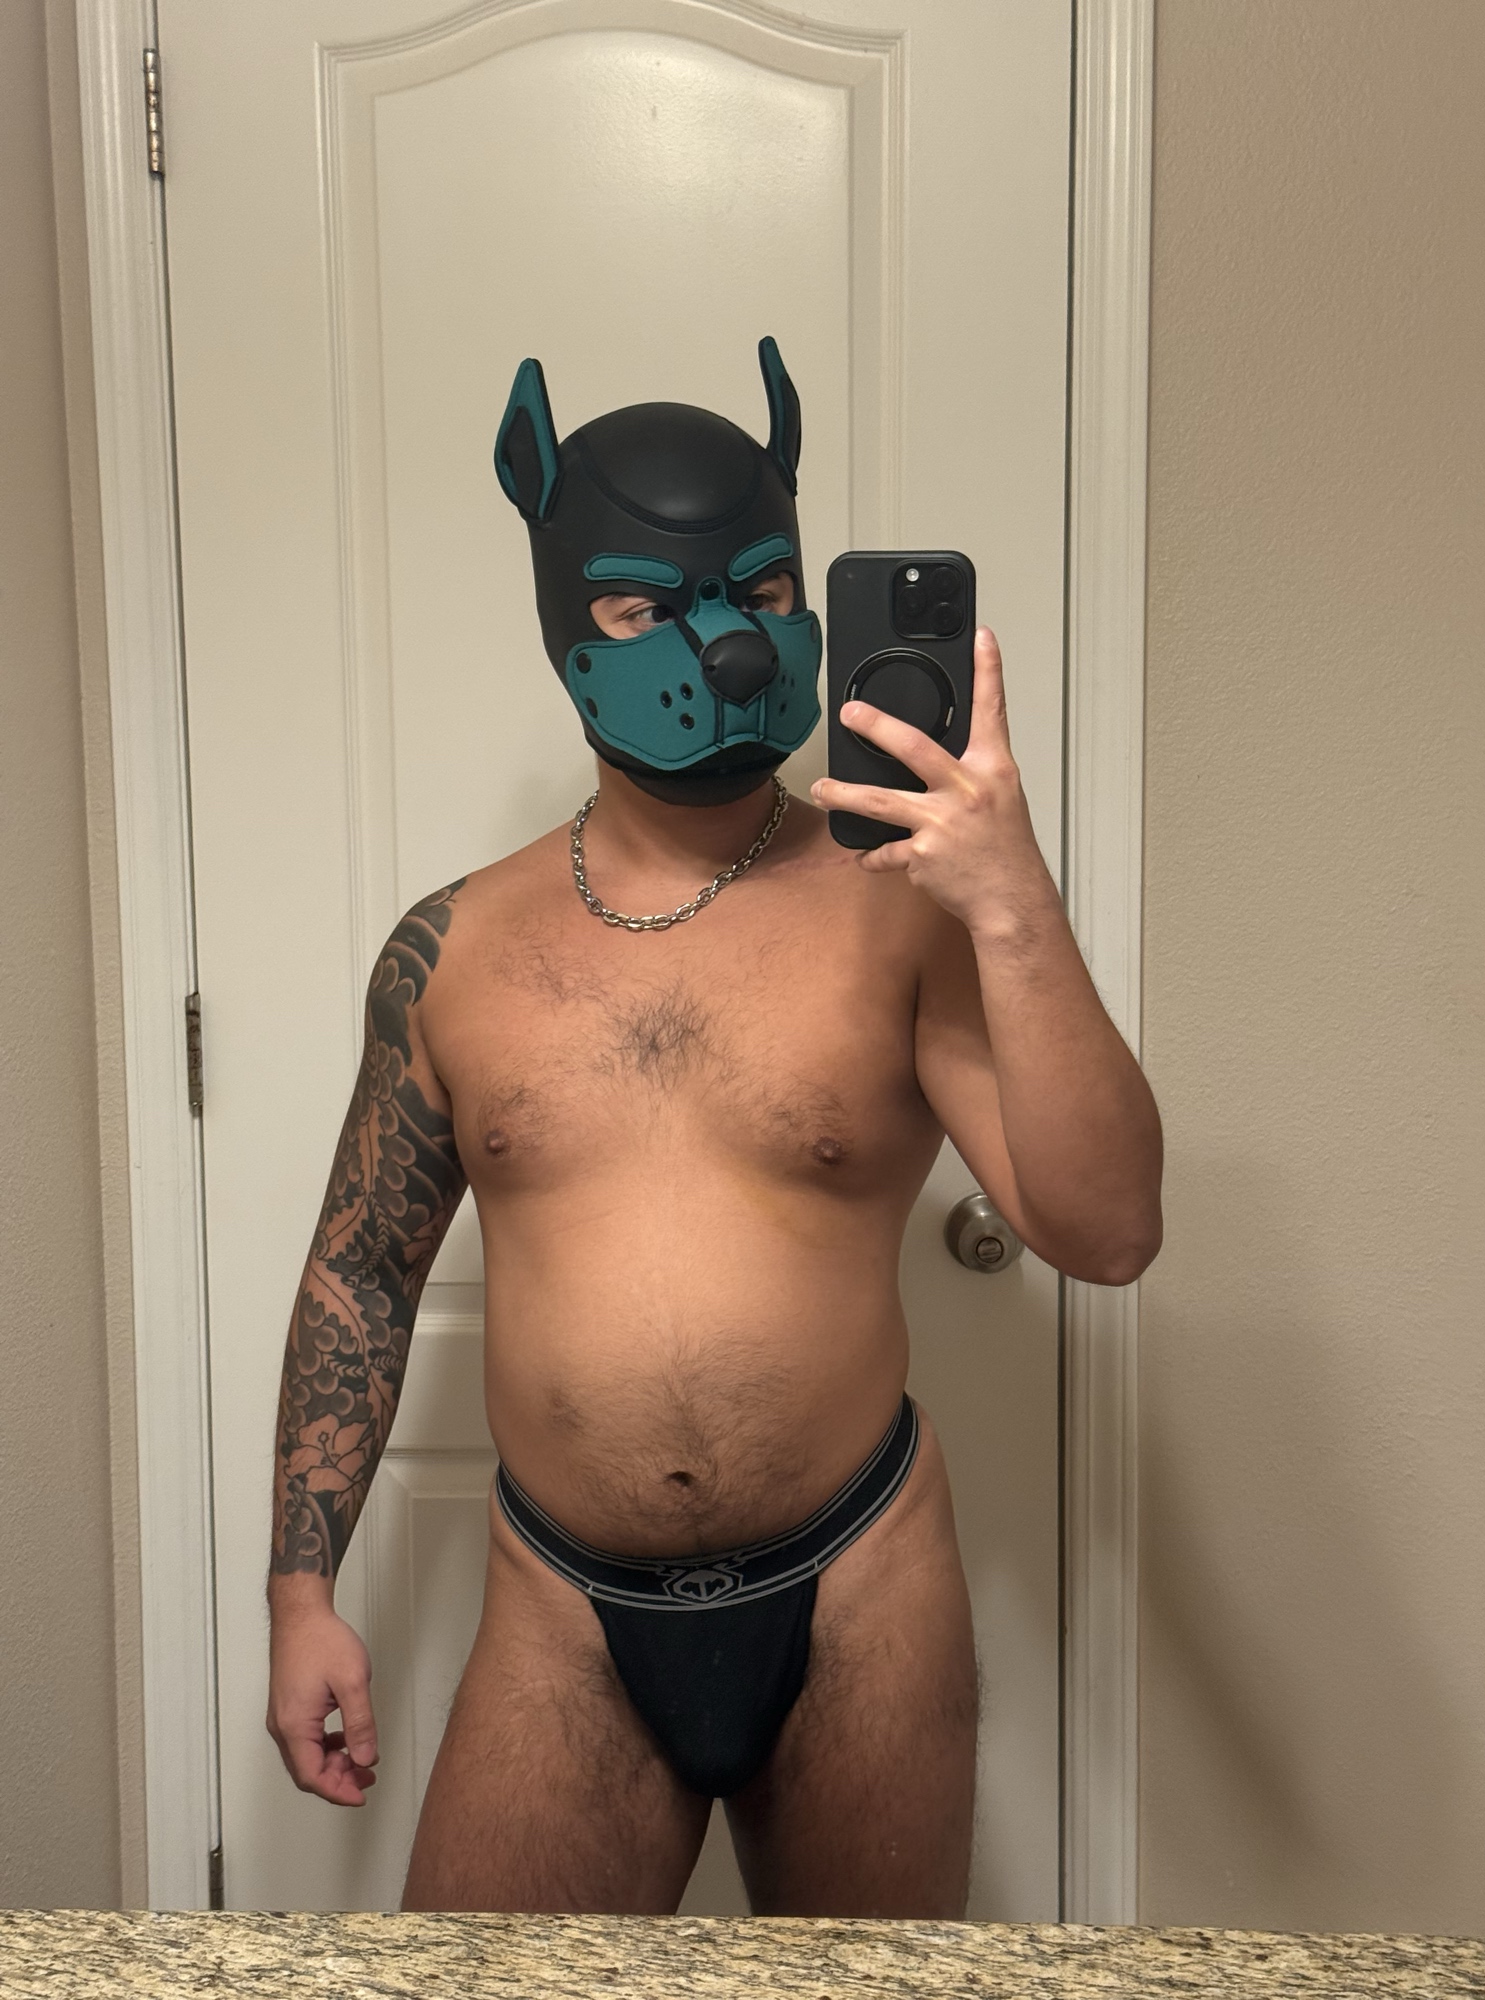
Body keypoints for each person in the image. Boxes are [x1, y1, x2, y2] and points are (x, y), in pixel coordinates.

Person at [265, 340, 1162, 1917]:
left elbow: (1108, 1232)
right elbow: (362, 1274)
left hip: (861, 1589)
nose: (730, 644)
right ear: (570, 627)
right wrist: (300, 1593)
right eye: (643, 608)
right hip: (564, 1611)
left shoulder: (908, 912)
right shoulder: (451, 952)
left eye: (763, 590)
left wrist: (1013, 898)